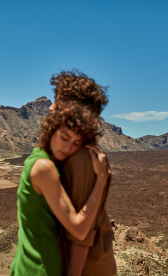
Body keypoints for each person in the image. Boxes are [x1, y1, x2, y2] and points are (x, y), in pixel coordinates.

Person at [10, 101, 108, 276]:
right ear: (52, 129)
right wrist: (101, 179)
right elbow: (78, 229)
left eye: (76, 143)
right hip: (41, 268)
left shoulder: (36, 157)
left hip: (24, 265)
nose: (68, 148)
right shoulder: (44, 168)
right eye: (64, 137)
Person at [50, 70, 117, 276]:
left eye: (57, 101)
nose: (51, 106)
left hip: (88, 268)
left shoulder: (83, 159)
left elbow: (82, 235)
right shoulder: (73, 151)